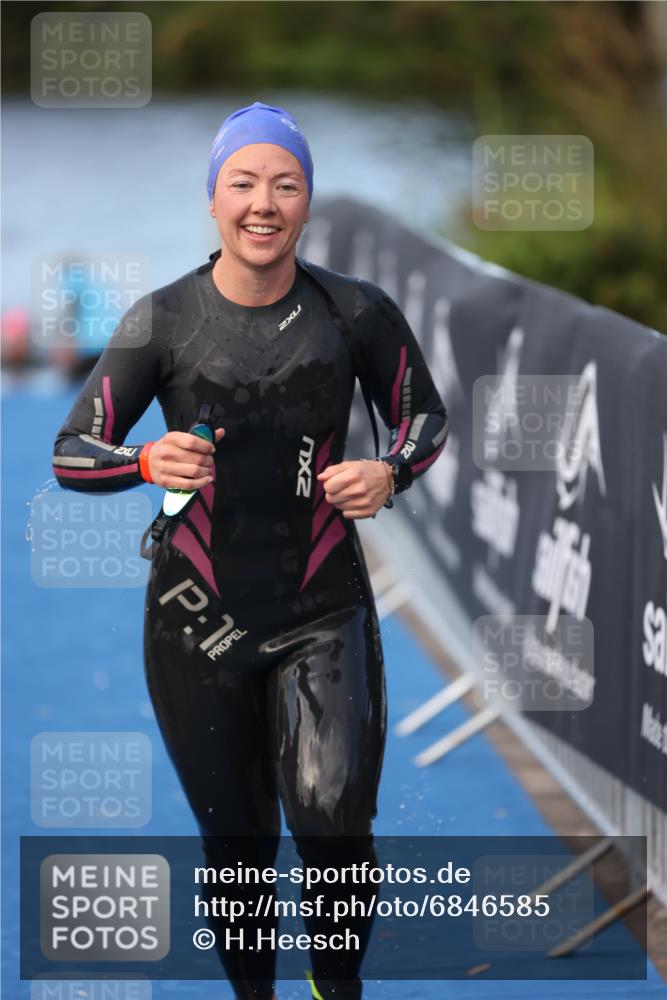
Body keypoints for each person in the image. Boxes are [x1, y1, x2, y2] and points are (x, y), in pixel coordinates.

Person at [52, 102, 448, 1000]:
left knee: (334, 827)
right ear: (213, 200)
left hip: (322, 611)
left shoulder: (355, 312)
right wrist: (145, 459)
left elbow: (425, 418)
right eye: (243, 183)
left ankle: (333, 988)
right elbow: (73, 450)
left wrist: (390, 472)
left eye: (285, 184)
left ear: (306, 203)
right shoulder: (164, 321)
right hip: (195, 621)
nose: (263, 203)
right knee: (237, 847)